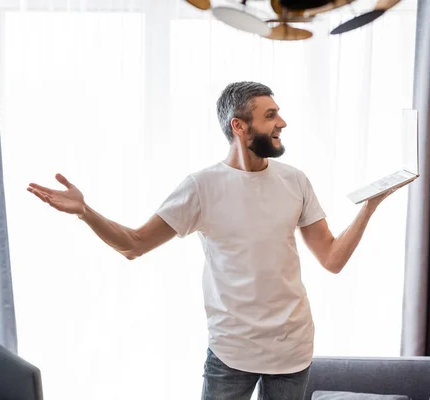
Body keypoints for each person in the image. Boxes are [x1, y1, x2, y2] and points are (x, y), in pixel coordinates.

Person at [27, 81, 400, 400]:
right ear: (238, 126)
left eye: (278, 113)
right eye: (270, 115)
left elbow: (332, 259)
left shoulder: (296, 181)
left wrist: (369, 208)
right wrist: (85, 212)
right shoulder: (201, 187)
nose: (281, 122)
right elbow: (134, 244)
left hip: (293, 348)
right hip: (231, 351)